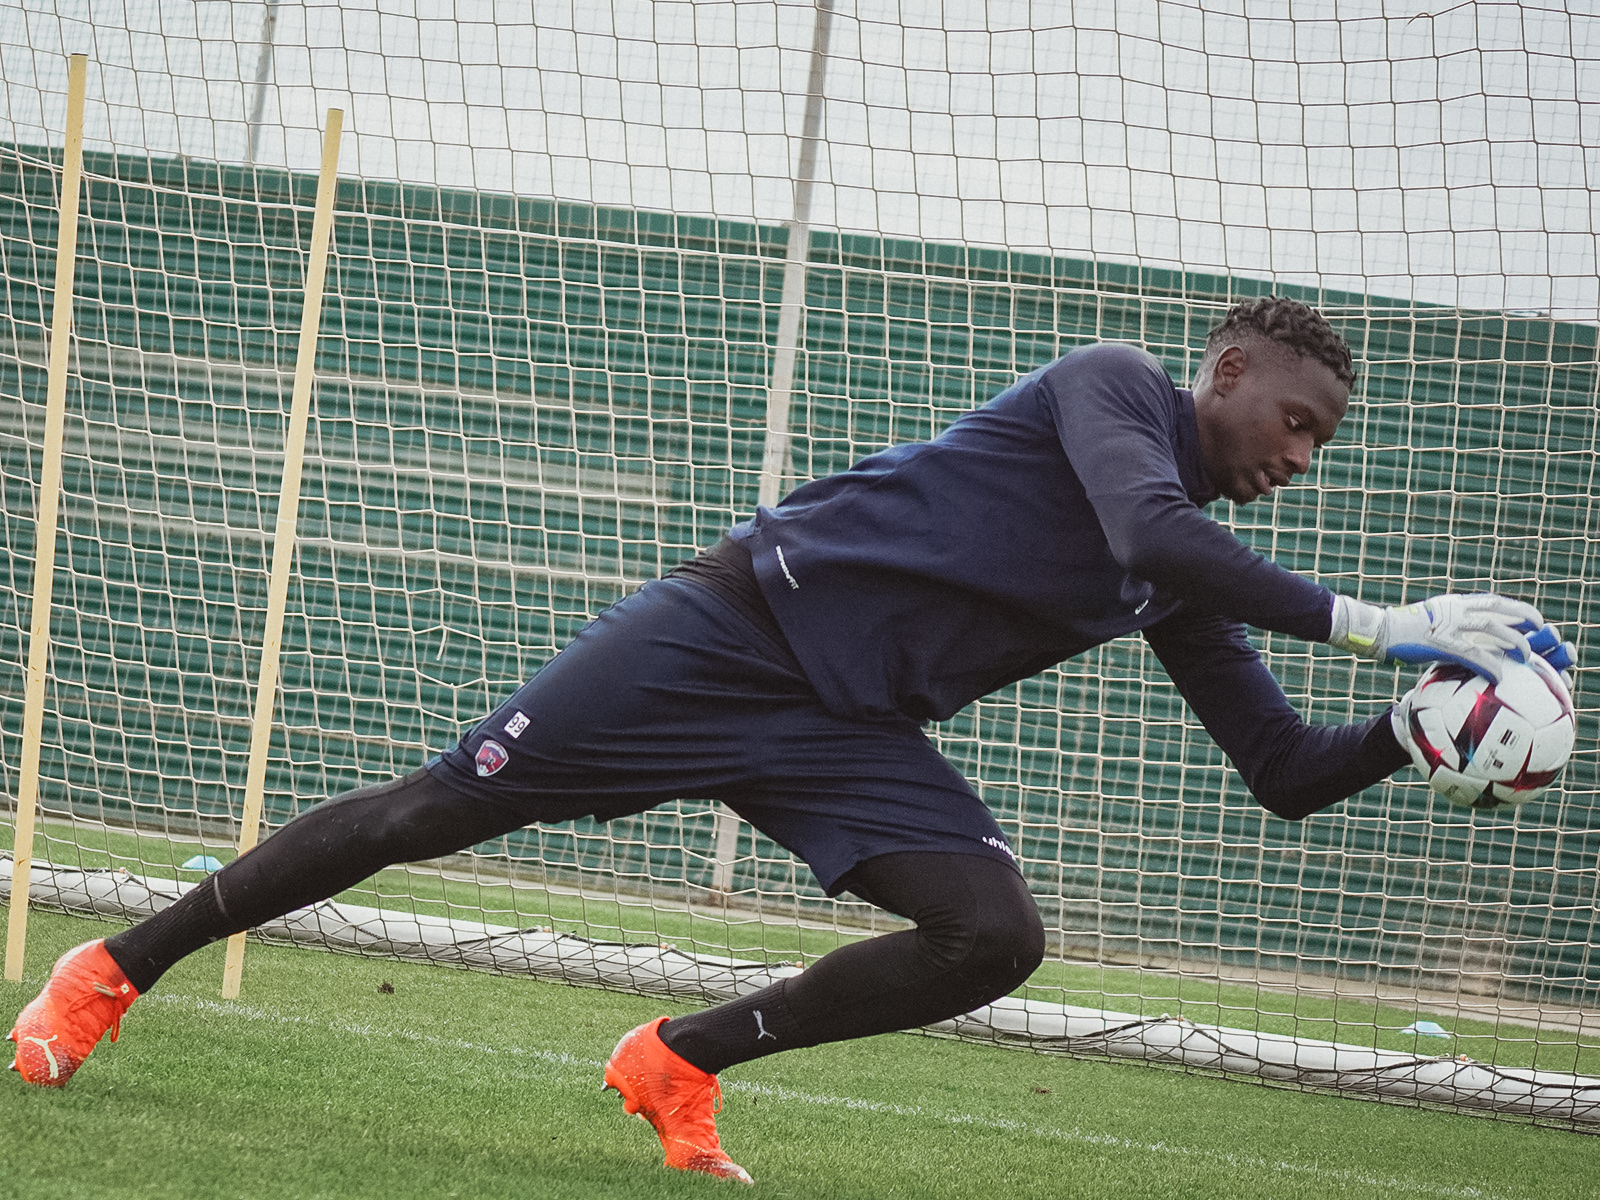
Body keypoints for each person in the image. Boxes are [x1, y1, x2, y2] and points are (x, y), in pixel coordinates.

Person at [8, 298, 1574, 1183]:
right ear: (1224, 374)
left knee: (991, 933)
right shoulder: (1114, 399)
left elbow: (1283, 776)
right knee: (428, 813)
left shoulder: (1181, 574)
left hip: (843, 728)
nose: (1298, 460)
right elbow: (1153, 522)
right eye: (1291, 423)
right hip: (725, 635)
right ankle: (108, 970)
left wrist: (1414, 733)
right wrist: (1388, 625)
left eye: (1321, 445)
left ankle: (676, 1060)